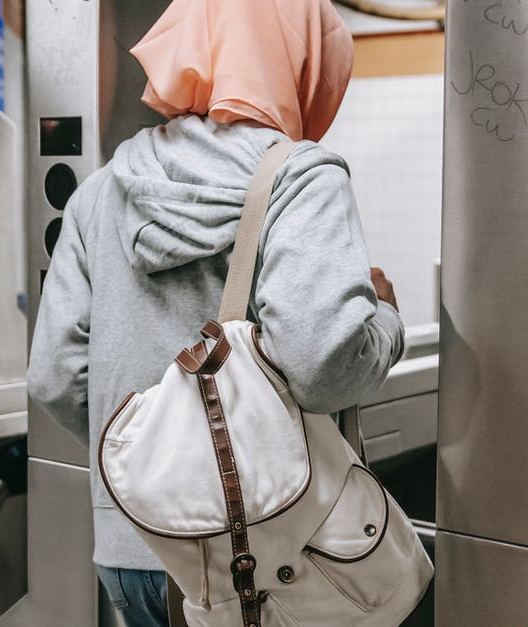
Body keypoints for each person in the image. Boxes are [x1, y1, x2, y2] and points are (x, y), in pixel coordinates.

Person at [27, 0, 405, 625]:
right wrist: (384, 322)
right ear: (306, 61)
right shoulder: (301, 178)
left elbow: (53, 376)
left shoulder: (101, 191)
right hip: (263, 557)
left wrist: (152, 466)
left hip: (131, 547)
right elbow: (322, 367)